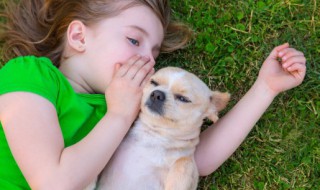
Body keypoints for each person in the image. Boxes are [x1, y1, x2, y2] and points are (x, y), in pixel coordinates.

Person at [0, 0, 306, 189]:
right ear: (79, 36)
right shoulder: (29, 75)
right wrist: (118, 114)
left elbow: (195, 158)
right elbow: (54, 184)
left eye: (154, 54)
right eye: (135, 40)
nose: (147, 60)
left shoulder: (132, 107)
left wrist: (265, 88)